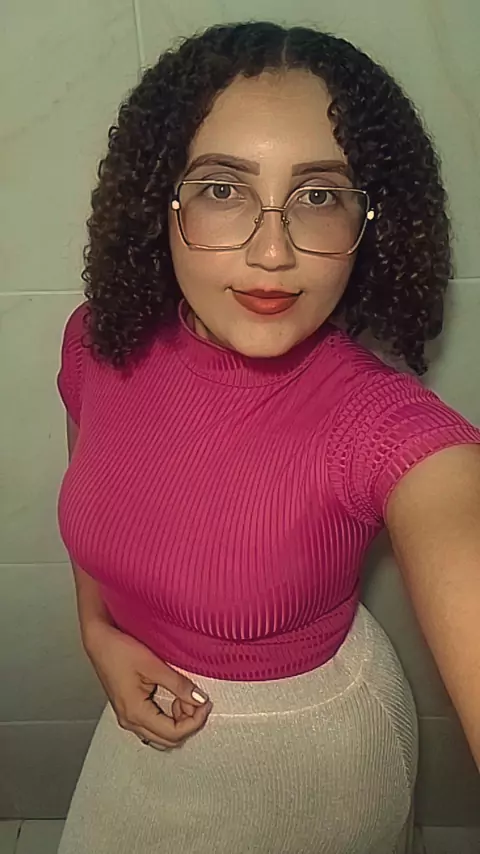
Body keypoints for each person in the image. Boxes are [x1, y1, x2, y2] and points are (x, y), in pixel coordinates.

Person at [56, 20, 480, 854]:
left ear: (370, 220)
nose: (274, 251)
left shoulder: (386, 427)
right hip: (143, 709)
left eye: (319, 196)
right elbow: (95, 484)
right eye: (223, 189)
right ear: (162, 202)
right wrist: (98, 632)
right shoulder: (98, 340)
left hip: (316, 752)